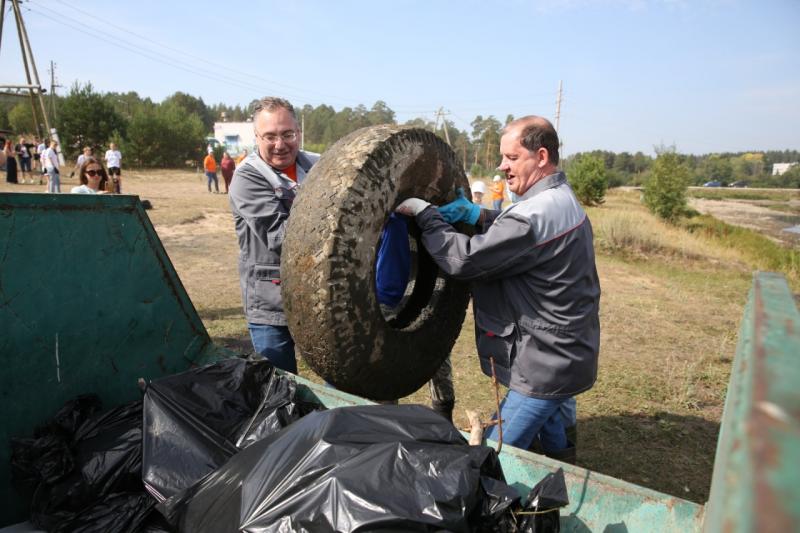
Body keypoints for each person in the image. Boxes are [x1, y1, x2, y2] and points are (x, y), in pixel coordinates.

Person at [396, 116, 600, 462]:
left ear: (541, 156)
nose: (501, 165)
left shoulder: (534, 214)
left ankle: (510, 502)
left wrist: (426, 214)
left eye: (512, 158)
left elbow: (465, 260)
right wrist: (479, 216)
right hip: (568, 349)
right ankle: (555, 488)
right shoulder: (559, 199)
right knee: (554, 434)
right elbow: (523, 239)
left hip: (543, 363)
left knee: (493, 453)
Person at [229, 96, 319, 373]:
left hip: (319, 297)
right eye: (270, 136)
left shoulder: (320, 166)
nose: (280, 145)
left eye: (287, 134)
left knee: (340, 383)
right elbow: (281, 237)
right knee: (280, 390)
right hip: (271, 303)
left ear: (298, 133)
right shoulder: (247, 177)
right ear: (256, 137)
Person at [374, 214, 456, 421]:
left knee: (436, 350)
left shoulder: (425, 214)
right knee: (385, 360)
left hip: (428, 290)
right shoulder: (380, 217)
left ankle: (443, 414)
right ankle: (386, 418)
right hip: (382, 297)